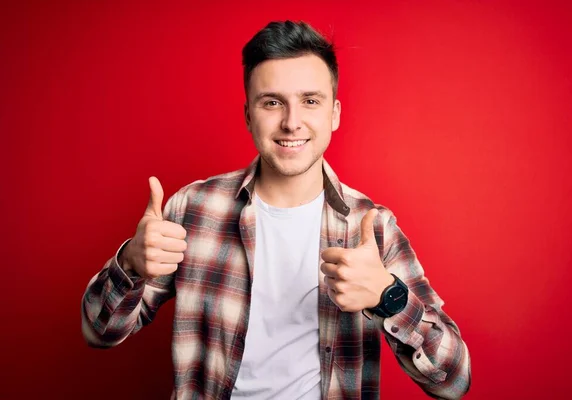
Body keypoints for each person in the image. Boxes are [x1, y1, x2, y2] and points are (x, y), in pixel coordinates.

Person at [81, 20, 471, 400]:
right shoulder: (192, 208)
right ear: (249, 115)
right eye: (272, 103)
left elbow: (453, 383)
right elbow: (98, 332)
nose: (291, 122)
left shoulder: (374, 228)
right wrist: (129, 262)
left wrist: (389, 296)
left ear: (333, 114)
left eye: (310, 101)